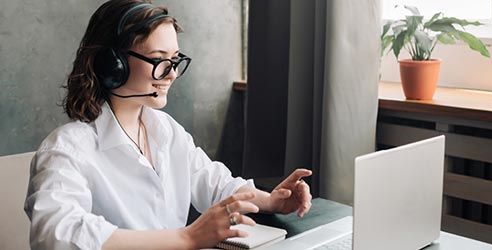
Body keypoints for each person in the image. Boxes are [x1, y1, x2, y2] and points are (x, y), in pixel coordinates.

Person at [24, 0, 313, 249]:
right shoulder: (67, 148)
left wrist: (272, 201)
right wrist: (187, 239)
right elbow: (55, 234)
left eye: (175, 60)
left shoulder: (165, 129)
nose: (172, 74)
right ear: (111, 65)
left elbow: (214, 183)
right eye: (159, 60)